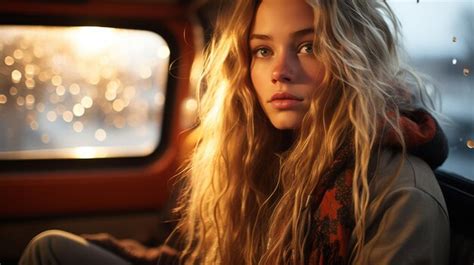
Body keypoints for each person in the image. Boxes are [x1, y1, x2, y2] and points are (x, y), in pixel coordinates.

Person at [19, 0, 450, 264]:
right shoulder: (263, 159)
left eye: (308, 46)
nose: (280, 71)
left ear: (354, 58)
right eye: (262, 50)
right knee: (50, 249)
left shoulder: (400, 195)